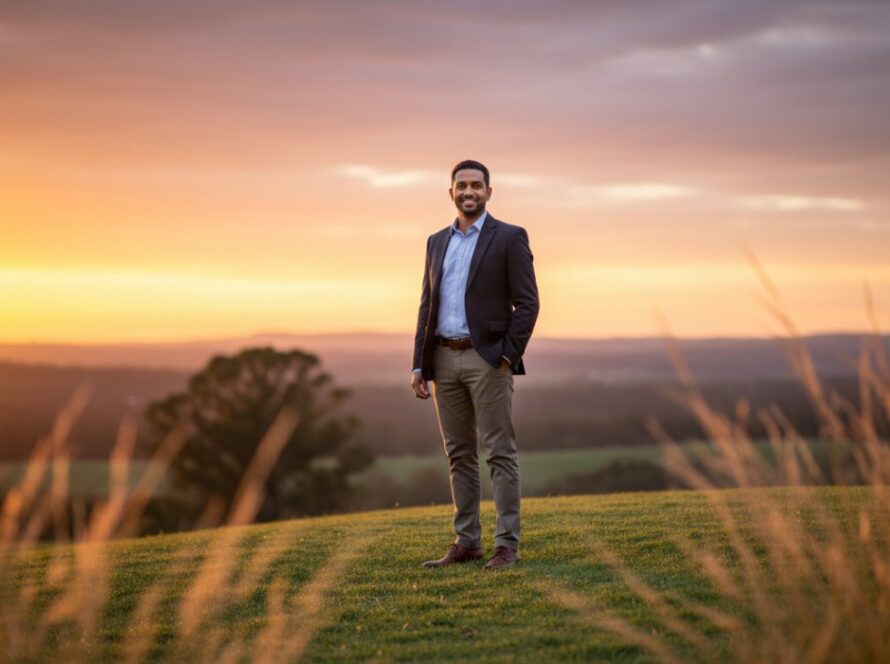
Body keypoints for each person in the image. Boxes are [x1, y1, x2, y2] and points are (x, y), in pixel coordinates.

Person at [411, 159, 539, 570]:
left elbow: (528, 303)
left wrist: (507, 354)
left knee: (499, 452)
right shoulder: (435, 241)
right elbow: (427, 304)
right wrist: (419, 364)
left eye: (476, 186)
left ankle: (507, 546)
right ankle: (467, 542)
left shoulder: (509, 237)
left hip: (488, 361)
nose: (469, 192)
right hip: (443, 359)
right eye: (461, 186)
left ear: (489, 191)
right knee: (459, 455)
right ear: (451, 192)